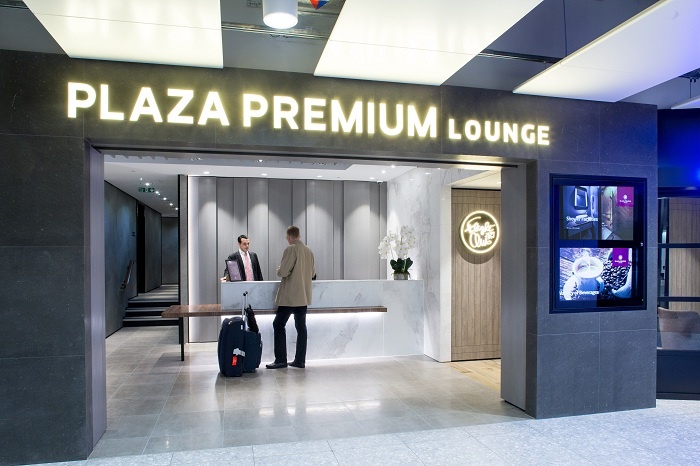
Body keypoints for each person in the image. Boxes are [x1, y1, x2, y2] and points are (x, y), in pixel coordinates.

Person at [266, 226, 315, 369]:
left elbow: (283, 272)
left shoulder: (291, 249)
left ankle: (281, 360)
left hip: (290, 297)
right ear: (299, 235)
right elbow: (313, 274)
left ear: (289, 237)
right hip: (303, 297)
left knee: (278, 324)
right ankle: (300, 360)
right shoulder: (308, 251)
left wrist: (278, 269)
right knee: (301, 328)